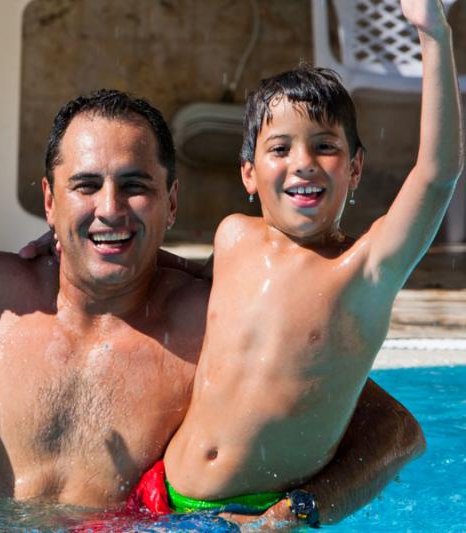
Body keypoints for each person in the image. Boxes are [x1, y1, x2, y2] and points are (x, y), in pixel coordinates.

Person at [0, 89, 426, 527]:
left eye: (134, 186)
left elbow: (395, 432)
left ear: (172, 202)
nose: (109, 208)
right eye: (85, 186)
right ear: (49, 200)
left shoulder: (212, 321)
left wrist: (293, 515)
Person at [155, 0, 462, 525]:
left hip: (252, 515)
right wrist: (64, 253)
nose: (303, 162)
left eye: (325, 146)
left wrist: (434, 36)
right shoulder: (232, 236)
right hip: (163, 493)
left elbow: (436, 176)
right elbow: (159, 276)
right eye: (280, 148)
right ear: (249, 173)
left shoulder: (364, 269)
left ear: (355, 168)